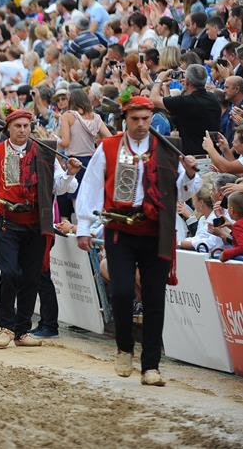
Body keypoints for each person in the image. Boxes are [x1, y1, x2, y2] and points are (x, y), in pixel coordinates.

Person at [76, 95, 201, 386]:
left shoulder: (167, 148)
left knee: (155, 298)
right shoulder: (107, 147)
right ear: (125, 119)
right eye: (136, 119)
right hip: (120, 229)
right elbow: (92, 185)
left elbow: (181, 192)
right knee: (121, 292)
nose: (142, 124)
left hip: (155, 231)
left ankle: (151, 366)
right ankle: (123, 346)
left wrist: (191, 173)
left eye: (146, 118)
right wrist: (84, 226)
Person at [0, 107, 82, 348]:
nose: (23, 130)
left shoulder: (44, 152)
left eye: (26, 126)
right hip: (8, 222)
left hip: (35, 223)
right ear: (8, 129)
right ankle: (6, 326)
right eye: (18, 126)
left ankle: (22, 330)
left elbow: (60, 186)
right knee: (9, 273)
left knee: (31, 278)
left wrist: (69, 173)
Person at [149, 64, 221, 155]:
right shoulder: (213, 98)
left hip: (193, 158)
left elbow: (153, 99)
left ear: (187, 81)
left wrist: (159, 79)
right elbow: (173, 108)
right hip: (213, 156)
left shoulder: (185, 102)